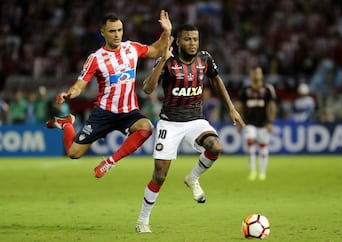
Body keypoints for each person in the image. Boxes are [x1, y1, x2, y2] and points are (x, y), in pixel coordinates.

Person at [135, 24, 246, 233]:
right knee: (159, 175)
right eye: (187, 39)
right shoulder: (168, 62)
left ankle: (193, 177)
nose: (192, 43)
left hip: (196, 119)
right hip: (170, 122)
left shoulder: (205, 59)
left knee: (215, 146)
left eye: (195, 39)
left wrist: (231, 109)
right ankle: (143, 220)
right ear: (177, 41)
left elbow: (217, 81)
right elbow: (147, 88)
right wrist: (163, 61)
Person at [46, 10, 172, 178]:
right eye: (112, 31)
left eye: (120, 30)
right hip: (104, 113)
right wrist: (69, 94)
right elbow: (80, 85)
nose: (117, 34)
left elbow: (156, 50)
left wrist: (167, 31)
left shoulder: (131, 48)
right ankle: (67, 123)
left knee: (147, 127)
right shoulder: (96, 58)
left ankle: (109, 162)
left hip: (128, 112)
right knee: (73, 153)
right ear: (103, 32)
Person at [237, 66, 277, 181]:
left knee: (263, 146)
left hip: (264, 123)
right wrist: (239, 122)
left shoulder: (268, 89)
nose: (256, 75)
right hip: (249, 123)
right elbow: (240, 106)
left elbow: (272, 106)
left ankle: (262, 173)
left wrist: (270, 122)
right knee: (250, 140)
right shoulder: (245, 90)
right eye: (254, 73)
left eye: (258, 73)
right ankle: (253, 171)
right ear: (251, 74)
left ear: (262, 74)